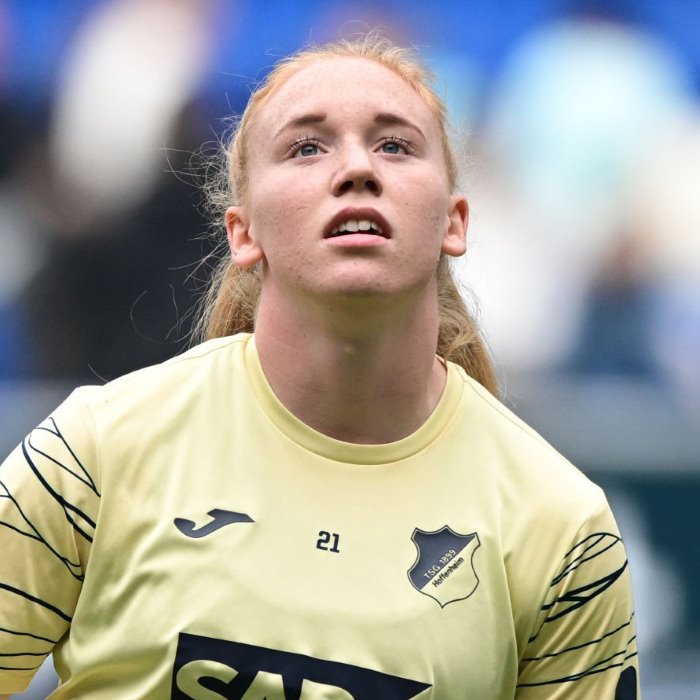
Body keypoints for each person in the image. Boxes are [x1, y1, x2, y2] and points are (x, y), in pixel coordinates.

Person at [0, 34, 640, 699]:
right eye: (307, 147)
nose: (357, 168)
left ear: (454, 222)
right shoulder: (98, 449)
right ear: (243, 231)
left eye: (395, 146)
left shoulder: (562, 527)